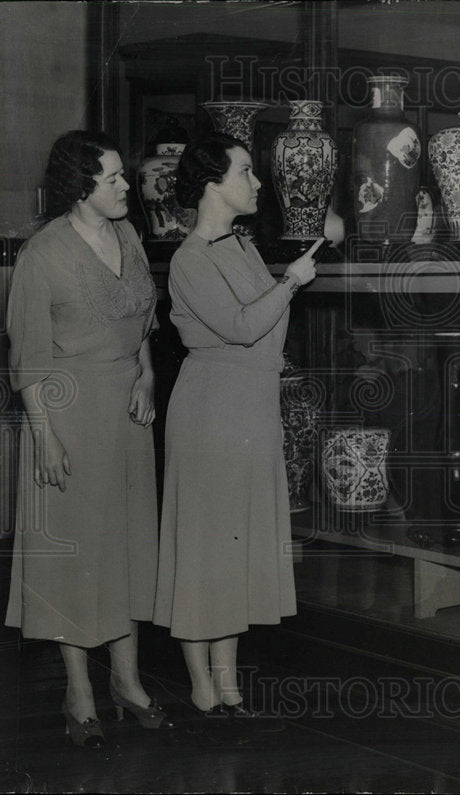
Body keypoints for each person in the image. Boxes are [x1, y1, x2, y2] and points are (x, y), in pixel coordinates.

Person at [5, 130, 172, 748]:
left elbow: (143, 316)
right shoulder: (42, 254)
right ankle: (79, 694)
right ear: (81, 189)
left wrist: (148, 376)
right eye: (112, 179)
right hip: (66, 415)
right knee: (77, 557)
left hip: (127, 416)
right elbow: (26, 360)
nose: (126, 185)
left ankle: (127, 683)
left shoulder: (127, 234)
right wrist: (44, 437)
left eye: (123, 175)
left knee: (127, 549)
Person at [153, 133, 320, 717]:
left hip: (251, 406)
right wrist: (292, 280)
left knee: (233, 547)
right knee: (205, 548)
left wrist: (284, 283)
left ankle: (228, 683)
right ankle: (202, 684)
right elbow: (245, 325)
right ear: (212, 185)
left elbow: (265, 331)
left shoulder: (242, 245)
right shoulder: (190, 257)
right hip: (212, 410)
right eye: (246, 172)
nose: (256, 184)